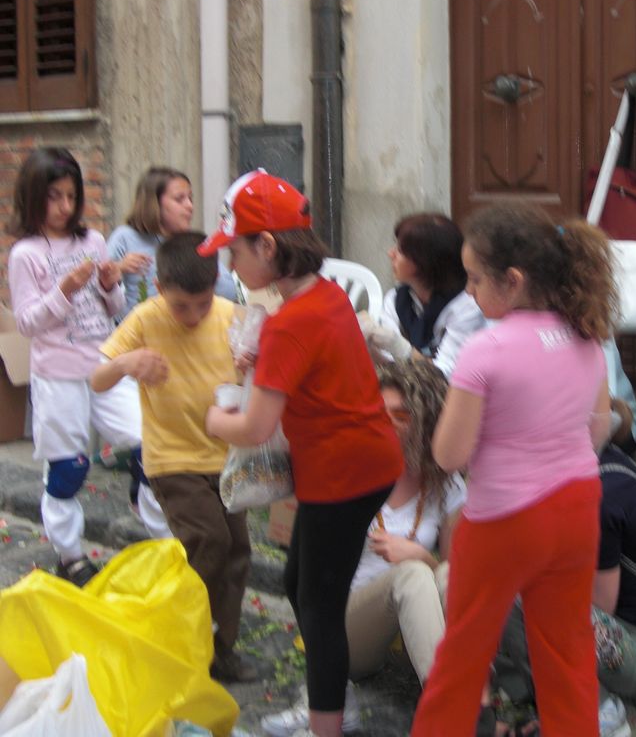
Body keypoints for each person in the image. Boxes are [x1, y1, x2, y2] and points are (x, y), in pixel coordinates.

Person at [203, 170, 404, 737]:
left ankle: (327, 723)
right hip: (361, 464)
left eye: (235, 251)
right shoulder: (325, 294)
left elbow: (253, 427)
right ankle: (331, 701)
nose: (230, 264)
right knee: (301, 586)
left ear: (267, 246)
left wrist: (211, 417)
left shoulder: (289, 322)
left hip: (343, 476)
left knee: (317, 603)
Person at [410, 204, 615, 737]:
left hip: (504, 519)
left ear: (513, 281)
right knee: (567, 652)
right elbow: (597, 430)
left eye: (476, 279)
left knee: (463, 656)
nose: (469, 291)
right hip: (576, 506)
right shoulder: (587, 336)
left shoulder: (486, 350)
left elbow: (449, 455)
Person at [260, 358, 466, 737]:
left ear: (426, 422)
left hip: (414, 632)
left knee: (446, 573)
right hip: (350, 629)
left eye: (401, 416)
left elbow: (455, 576)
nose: (387, 423)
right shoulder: (350, 470)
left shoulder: (446, 485)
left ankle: (467, 695)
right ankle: (453, 714)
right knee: (410, 575)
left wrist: (421, 554)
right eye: (380, 413)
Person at [91, 231, 255, 682]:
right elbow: (97, 380)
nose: (193, 315)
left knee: (238, 551)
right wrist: (127, 364)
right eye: (181, 306)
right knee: (210, 542)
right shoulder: (145, 318)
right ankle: (177, 634)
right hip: (172, 461)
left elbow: (255, 374)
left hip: (227, 461)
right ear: (160, 288)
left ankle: (218, 650)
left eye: (202, 304)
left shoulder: (232, 316)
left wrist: (252, 366)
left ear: (215, 285)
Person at [6, 147, 150, 587]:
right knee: (69, 468)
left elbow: (113, 307)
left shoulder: (93, 242)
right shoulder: (25, 254)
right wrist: (64, 290)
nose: (65, 207)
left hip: (104, 365)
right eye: (54, 197)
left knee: (150, 444)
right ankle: (70, 557)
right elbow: (27, 323)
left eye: (71, 196)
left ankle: (162, 538)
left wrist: (108, 285)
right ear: (34, 197)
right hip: (57, 376)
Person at [494, 443, 636, 737]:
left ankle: (601, 713)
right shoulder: (581, 468)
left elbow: (600, 604)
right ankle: (549, 703)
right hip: (616, 627)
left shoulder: (600, 497)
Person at [362, 212, 485, 378]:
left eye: (400, 250)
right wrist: (368, 347)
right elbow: (391, 365)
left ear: (424, 261)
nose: (391, 254)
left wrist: (402, 349)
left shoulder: (466, 305)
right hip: (406, 386)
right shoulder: (395, 299)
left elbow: (446, 373)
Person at [107, 166, 237, 319]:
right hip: (136, 330)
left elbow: (229, 292)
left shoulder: (191, 244)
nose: (190, 206)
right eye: (179, 199)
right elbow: (96, 289)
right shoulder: (125, 237)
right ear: (154, 203)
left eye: (190, 198)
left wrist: (199, 270)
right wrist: (119, 268)